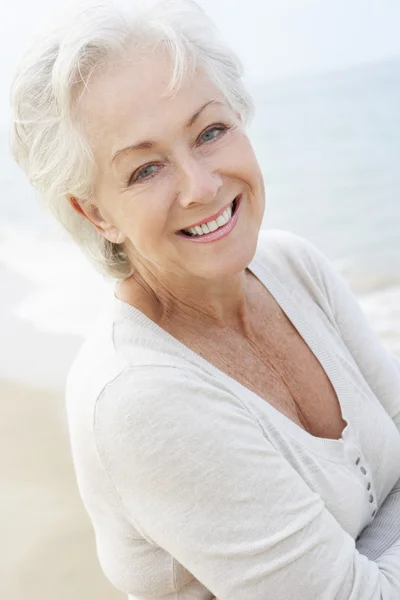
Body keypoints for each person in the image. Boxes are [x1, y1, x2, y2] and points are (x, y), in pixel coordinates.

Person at [10, 0, 400, 598]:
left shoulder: (294, 266)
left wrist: (366, 564)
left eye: (210, 132)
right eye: (145, 170)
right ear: (94, 213)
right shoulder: (140, 399)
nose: (201, 186)